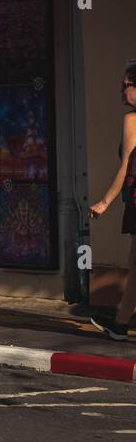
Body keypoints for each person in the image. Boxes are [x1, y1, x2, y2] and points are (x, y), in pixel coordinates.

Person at [88, 63, 136, 341]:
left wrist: (105, 202)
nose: (122, 91)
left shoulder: (132, 119)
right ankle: (120, 321)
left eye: (126, 85)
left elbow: (128, 163)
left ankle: (120, 322)